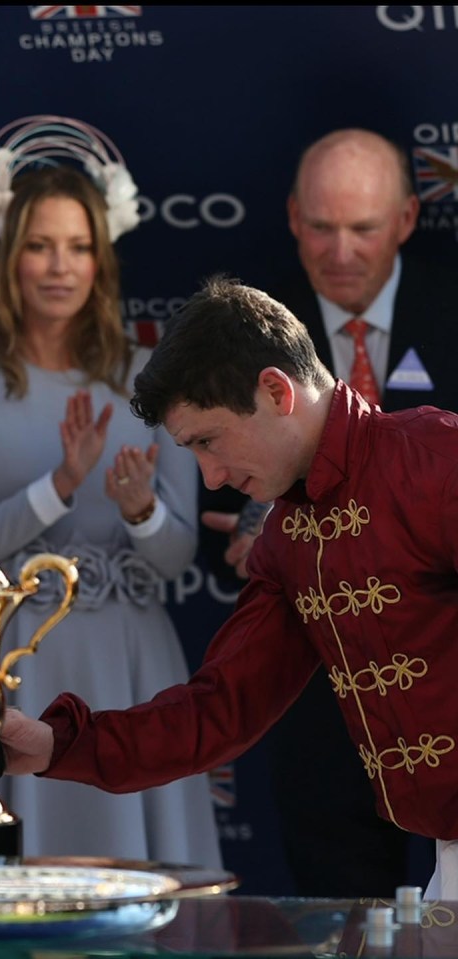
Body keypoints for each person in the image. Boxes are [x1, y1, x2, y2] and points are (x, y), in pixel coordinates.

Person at [0, 274, 458, 899]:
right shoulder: (288, 540)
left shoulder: (436, 460)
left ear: (275, 390)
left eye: (208, 441)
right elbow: (218, 710)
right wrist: (57, 744)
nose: (210, 477)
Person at [0, 115, 222, 866]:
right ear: (9, 257)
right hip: (19, 662)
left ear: (103, 258)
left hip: (134, 664)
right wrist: (61, 484)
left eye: (79, 247)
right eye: (41, 245)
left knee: (146, 888)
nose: (60, 266)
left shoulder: (153, 376)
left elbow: (176, 561)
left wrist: (140, 509)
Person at [202, 129, 456, 895]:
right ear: (290, 217)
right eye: (321, 226)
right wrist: (254, 528)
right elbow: (215, 480)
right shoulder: (237, 325)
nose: (340, 250)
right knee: (342, 916)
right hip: (317, 688)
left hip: (448, 694)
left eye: (363, 228)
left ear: (408, 219)